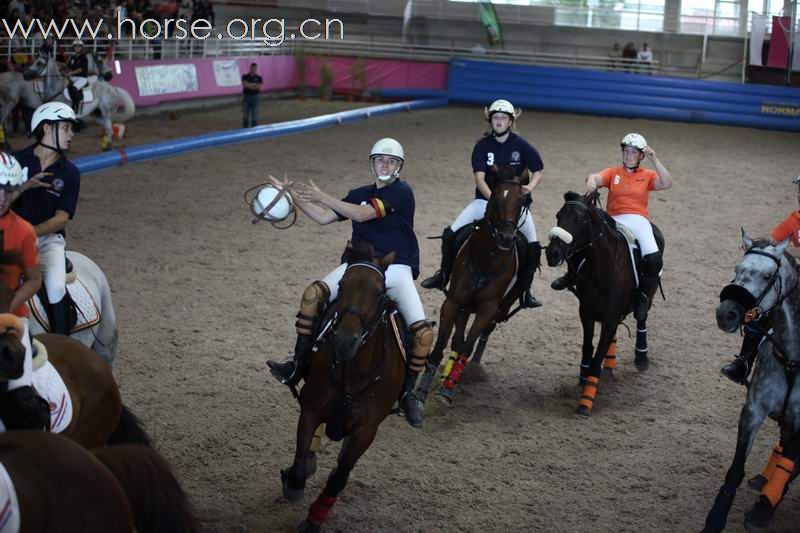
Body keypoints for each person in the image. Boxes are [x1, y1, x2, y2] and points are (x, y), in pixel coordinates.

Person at [266, 138, 433, 428]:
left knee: (423, 336)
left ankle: (408, 393)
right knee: (312, 295)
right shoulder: (358, 193)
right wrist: (292, 197)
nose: (385, 165)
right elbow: (323, 217)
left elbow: (362, 213)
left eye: (391, 161)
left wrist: (323, 195)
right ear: (372, 163)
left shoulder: (402, 192)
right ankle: (298, 364)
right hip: (357, 268)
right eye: (380, 160)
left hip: (396, 270)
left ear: (399, 168)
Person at [420, 99, 545, 308]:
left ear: (511, 121)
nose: (499, 121)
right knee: (450, 233)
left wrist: (529, 187)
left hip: (517, 209)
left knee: (533, 247)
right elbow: (479, 178)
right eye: (496, 117)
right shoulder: (481, 146)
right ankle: (443, 274)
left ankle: (526, 291)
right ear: (490, 120)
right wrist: (494, 202)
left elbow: (538, 171)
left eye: (503, 118)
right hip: (483, 201)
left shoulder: (522, 145)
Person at [551, 133, 672, 322]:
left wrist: (654, 159)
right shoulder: (613, 172)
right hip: (613, 217)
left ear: (641, 156)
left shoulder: (647, 176)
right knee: (585, 237)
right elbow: (596, 177)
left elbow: (666, 182)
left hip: (638, 219)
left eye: (634, 152)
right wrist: (591, 180)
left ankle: (642, 298)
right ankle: (571, 275)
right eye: (626, 151)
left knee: (654, 258)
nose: (629, 155)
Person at [720, 175, 800, 385]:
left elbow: (780, 248)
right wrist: (755, 246)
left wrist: (785, 250)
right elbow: (772, 240)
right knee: (762, 307)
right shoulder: (794, 218)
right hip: (795, 275)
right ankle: (744, 363)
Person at [12, 102, 80, 337]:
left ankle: (63, 344)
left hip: (48, 242)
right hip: (10, 239)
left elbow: (61, 219)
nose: (71, 134)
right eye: (66, 128)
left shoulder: (70, 172)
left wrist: (29, 231)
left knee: (55, 286)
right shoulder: (16, 161)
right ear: (47, 128)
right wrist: (23, 187)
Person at [0, 152, 49, 431]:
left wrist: (8, 307)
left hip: (12, 319)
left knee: (22, 400)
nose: (2, 198)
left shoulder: (24, 231)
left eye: (8, 190)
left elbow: (34, 280)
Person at [64, 40, 90, 114]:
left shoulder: (84, 58)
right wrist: (65, 71)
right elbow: (68, 66)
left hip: (81, 78)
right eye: (75, 47)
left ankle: (75, 106)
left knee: (74, 88)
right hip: (72, 77)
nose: (77, 48)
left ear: (81, 48)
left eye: (78, 47)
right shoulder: (72, 57)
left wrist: (71, 73)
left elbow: (81, 69)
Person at [241, 63, 263, 128]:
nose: (254, 69)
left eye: (255, 68)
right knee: (245, 114)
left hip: (255, 97)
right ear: (250, 68)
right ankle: (245, 129)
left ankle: (254, 129)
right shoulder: (245, 76)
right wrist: (254, 85)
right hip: (247, 96)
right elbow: (245, 84)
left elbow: (259, 87)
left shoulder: (259, 77)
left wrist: (249, 85)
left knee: (255, 114)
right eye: (253, 68)